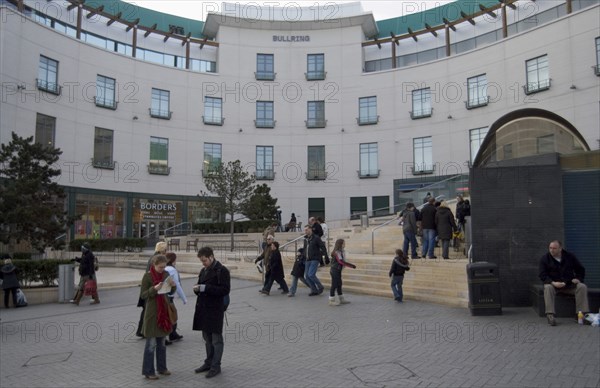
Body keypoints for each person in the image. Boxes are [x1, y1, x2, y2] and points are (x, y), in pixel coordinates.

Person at [193, 246, 231, 378]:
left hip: (215, 309)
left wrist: (206, 288)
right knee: (207, 339)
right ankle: (208, 362)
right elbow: (200, 285)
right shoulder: (203, 270)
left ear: (211, 257)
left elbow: (225, 290)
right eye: (201, 261)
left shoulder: (222, 270)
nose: (203, 263)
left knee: (216, 340)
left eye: (204, 260)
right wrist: (197, 289)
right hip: (203, 309)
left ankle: (216, 366)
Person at [140, 254, 176, 380]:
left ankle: (162, 368)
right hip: (152, 313)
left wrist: (173, 285)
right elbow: (143, 295)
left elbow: (170, 292)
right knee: (151, 344)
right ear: (154, 265)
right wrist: (154, 289)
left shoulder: (166, 274)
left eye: (164, 267)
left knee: (162, 343)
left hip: (164, 312)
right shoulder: (147, 276)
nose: (162, 269)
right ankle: (148, 371)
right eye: (160, 267)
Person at [539, 240, 589, 326]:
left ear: (560, 249)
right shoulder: (545, 259)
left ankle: (580, 315)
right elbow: (542, 275)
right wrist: (553, 283)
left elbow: (580, 269)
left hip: (569, 285)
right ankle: (550, 315)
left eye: (554, 248)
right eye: (550, 248)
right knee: (547, 287)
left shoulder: (570, 256)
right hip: (554, 286)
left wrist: (578, 278)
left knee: (582, 286)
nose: (551, 250)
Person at [137, 241, 168, 338]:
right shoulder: (156, 259)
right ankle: (143, 331)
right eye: (166, 249)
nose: (162, 269)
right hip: (152, 294)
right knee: (148, 313)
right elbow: (145, 290)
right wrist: (154, 288)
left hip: (158, 296)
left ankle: (141, 331)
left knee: (146, 313)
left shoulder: (156, 259)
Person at [165, 252, 186, 344]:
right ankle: (171, 334)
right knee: (173, 314)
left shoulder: (164, 268)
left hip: (162, 296)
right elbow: (176, 285)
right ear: (173, 260)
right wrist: (184, 298)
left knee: (167, 315)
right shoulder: (172, 270)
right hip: (169, 296)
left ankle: (171, 334)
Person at [328, 239, 356, 306]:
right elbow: (341, 261)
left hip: (338, 270)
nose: (344, 244)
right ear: (340, 244)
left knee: (339, 284)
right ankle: (331, 300)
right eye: (344, 243)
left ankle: (341, 299)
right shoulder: (337, 252)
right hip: (334, 270)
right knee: (334, 284)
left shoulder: (341, 251)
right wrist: (351, 266)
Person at [303, 225, 325, 296]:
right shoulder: (306, 239)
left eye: (306, 230)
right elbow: (305, 248)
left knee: (311, 274)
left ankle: (320, 286)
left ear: (310, 229)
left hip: (315, 259)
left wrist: (323, 255)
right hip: (307, 259)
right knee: (307, 276)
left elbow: (322, 246)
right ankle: (314, 290)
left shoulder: (316, 238)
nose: (305, 231)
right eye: (305, 230)